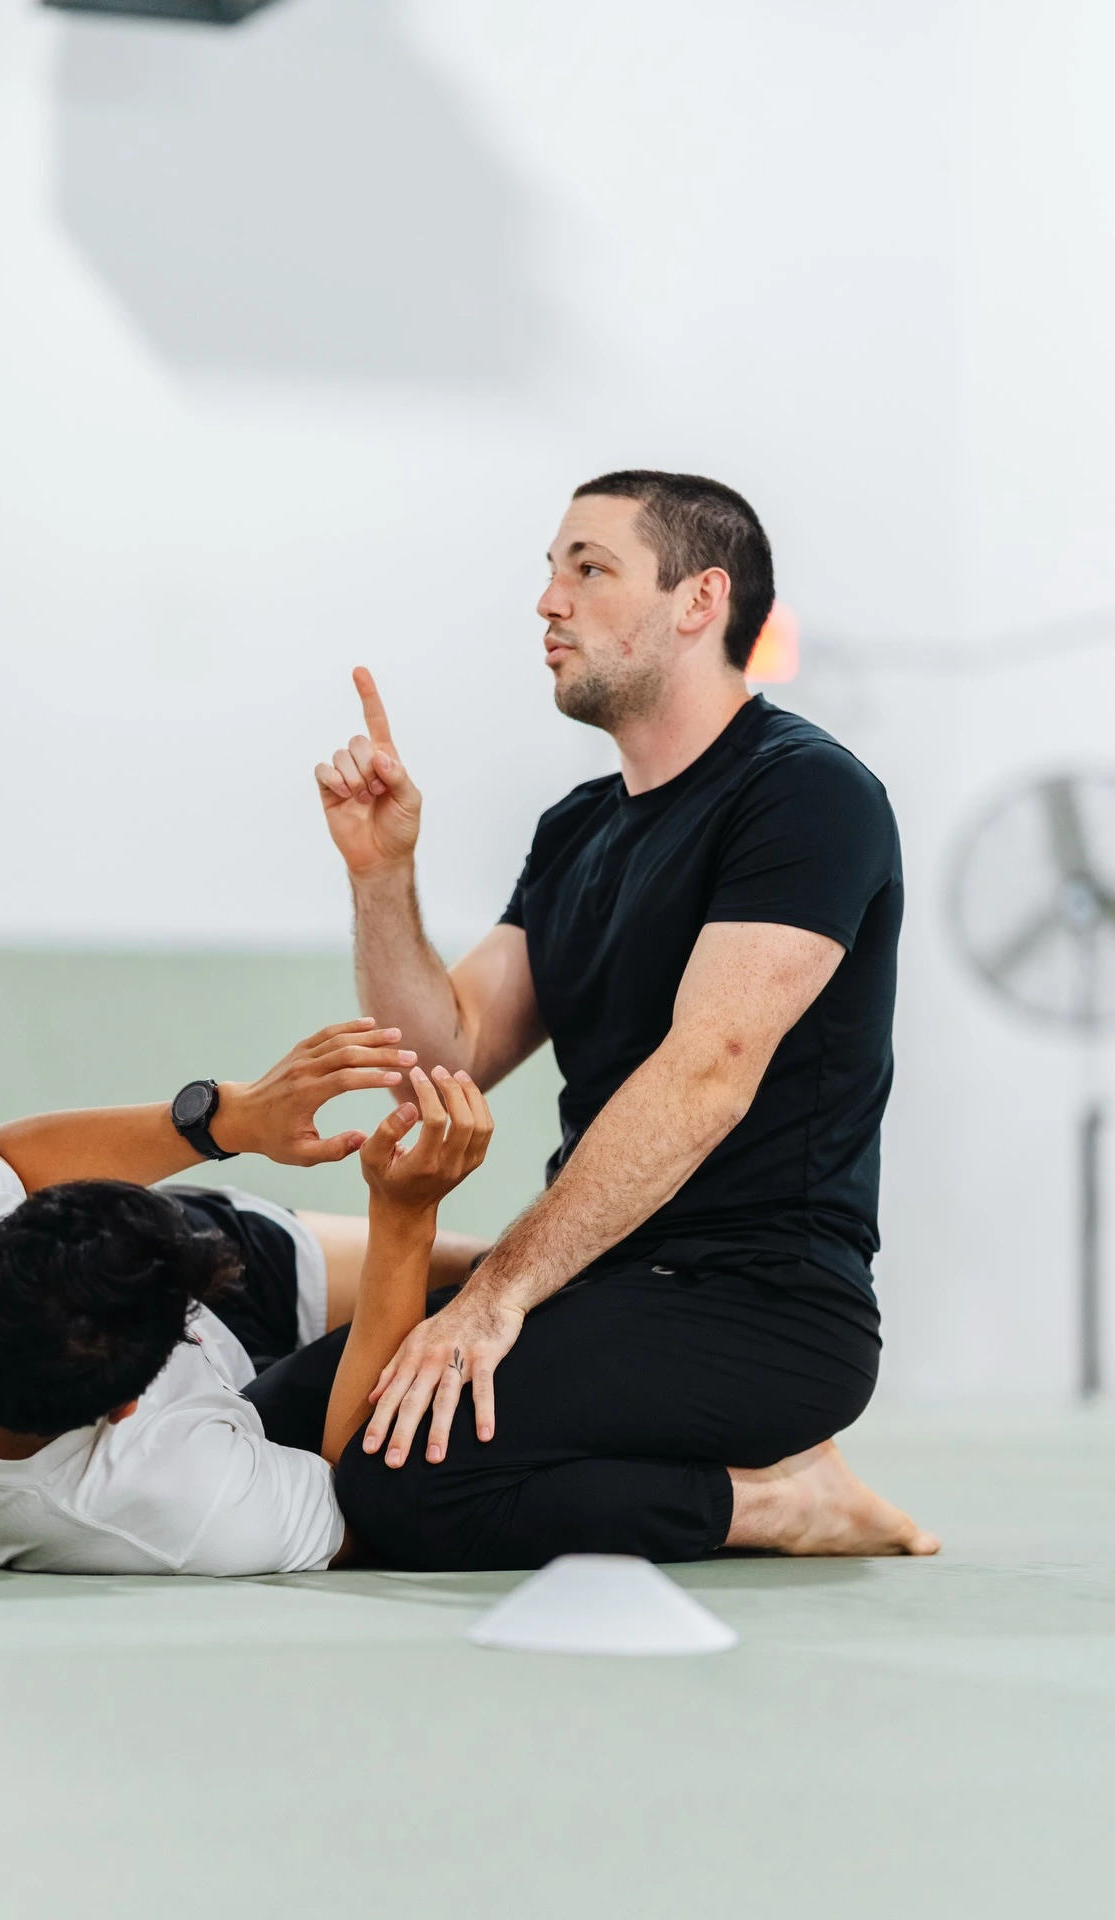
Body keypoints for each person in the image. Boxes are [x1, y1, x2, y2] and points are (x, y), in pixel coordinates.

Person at [302, 469, 939, 1567]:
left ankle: (785, 1505)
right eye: (549, 572)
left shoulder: (805, 794)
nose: (548, 602)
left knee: (386, 1487)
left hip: (764, 1305)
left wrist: (495, 1292)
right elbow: (444, 1055)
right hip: (604, 1286)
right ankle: (748, 1484)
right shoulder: (576, 830)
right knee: (288, 1439)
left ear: (699, 601)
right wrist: (379, 874)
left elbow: (706, 1076)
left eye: (588, 569)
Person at [0, 1019, 491, 1575]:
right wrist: (401, 1224)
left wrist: (227, 1120)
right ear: (130, 1405)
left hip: (154, 1290)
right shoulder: (166, 1504)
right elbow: (371, 1502)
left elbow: (8, 1162)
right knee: (477, 1317)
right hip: (238, 1405)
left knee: (491, 1268)